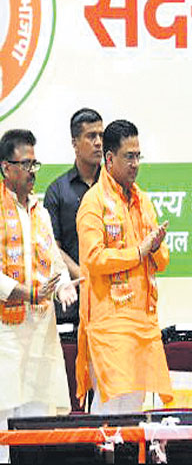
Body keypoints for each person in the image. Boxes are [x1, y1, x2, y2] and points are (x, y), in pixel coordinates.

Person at [75, 120, 172, 413]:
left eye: (138, 156)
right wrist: (139, 252)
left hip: (142, 326)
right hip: (110, 328)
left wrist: (154, 248)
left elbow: (163, 260)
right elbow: (94, 258)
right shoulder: (93, 203)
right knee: (109, 414)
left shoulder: (143, 201)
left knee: (133, 414)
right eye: (129, 156)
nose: (135, 164)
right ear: (109, 159)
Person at [0, 129, 78, 463]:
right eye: (26, 164)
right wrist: (26, 293)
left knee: (35, 424)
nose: (32, 171)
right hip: (6, 337)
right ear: (6, 167)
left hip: (39, 334)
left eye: (35, 164)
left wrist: (63, 286)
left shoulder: (40, 211)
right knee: (4, 420)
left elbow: (53, 261)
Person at [44, 108, 103, 325]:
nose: (99, 143)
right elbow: (52, 247)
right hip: (72, 296)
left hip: (111, 298)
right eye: (91, 136)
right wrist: (81, 274)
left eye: (101, 135)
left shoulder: (114, 187)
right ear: (75, 143)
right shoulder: (57, 191)